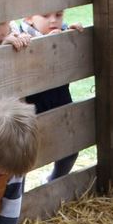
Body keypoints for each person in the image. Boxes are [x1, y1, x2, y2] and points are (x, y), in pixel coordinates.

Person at [17, 10, 83, 183]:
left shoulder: (63, 32)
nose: (53, 20)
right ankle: (19, 196)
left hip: (60, 99)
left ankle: (55, 180)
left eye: (59, 15)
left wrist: (71, 37)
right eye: (45, 16)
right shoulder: (20, 36)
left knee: (70, 148)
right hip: (32, 103)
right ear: (28, 17)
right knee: (23, 154)